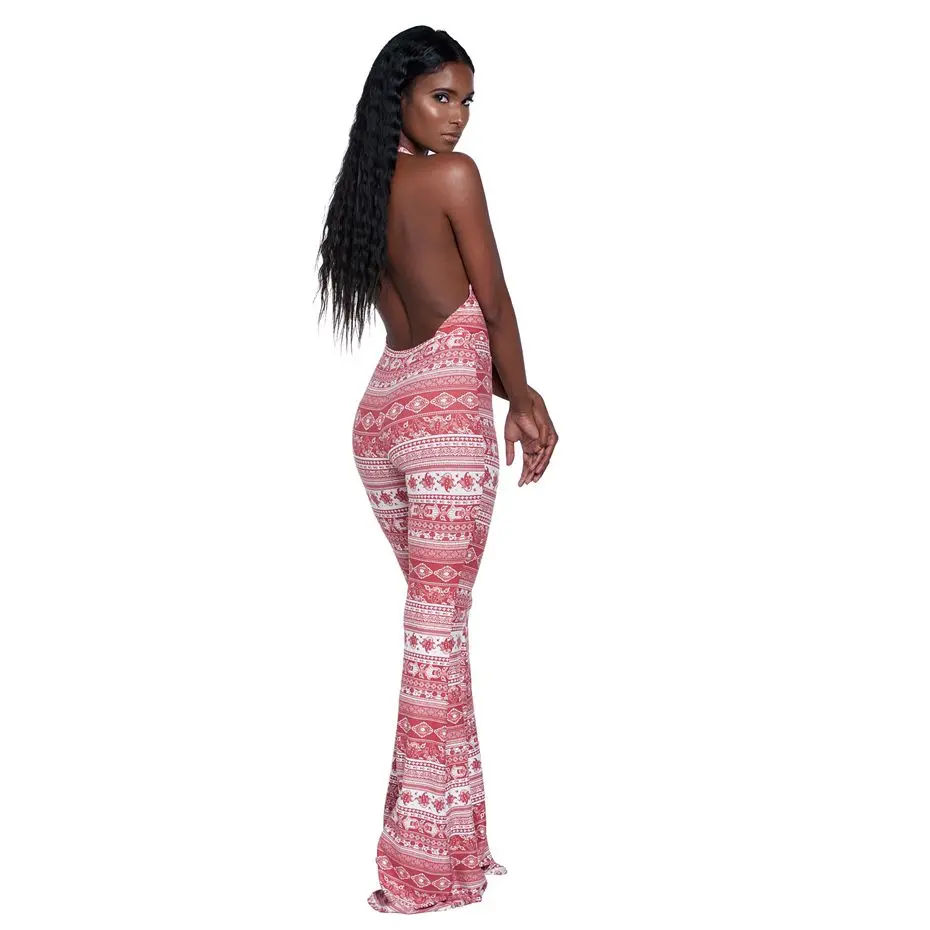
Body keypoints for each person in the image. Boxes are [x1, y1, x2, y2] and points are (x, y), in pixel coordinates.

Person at [314, 25, 558, 914]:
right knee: (434, 639)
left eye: (466, 101)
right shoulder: (453, 178)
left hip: (385, 416)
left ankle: (454, 846)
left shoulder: (360, 192)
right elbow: (491, 307)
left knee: (439, 635)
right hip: (444, 428)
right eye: (441, 97)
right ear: (401, 98)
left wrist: (507, 388)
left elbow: (437, 322)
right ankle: (414, 867)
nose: (457, 118)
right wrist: (525, 397)